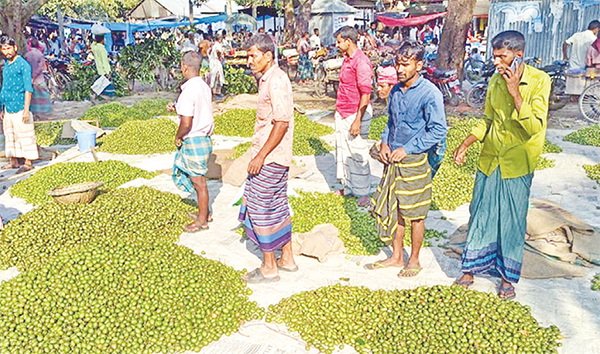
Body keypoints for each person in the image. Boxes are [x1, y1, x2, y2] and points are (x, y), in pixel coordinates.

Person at [453, 31, 551, 299]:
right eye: (494, 56)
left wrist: (515, 91)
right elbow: (487, 119)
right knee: (480, 212)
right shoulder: (496, 80)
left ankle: (507, 278)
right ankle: (470, 268)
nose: (496, 62)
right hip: (490, 158)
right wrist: (466, 143)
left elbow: (533, 126)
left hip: (517, 162)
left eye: (502, 56)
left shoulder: (539, 81)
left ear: (518, 55)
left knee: (512, 220)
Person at [366, 42, 447, 277]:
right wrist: (384, 142)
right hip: (393, 160)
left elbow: (438, 130)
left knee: (415, 213)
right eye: (397, 64)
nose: (400, 69)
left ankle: (414, 259)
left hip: (416, 161)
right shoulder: (395, 92)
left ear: (419, 65)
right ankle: (396, 255)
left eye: (405, 64)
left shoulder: (429, 93)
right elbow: (391, 123)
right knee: (396, 208)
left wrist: (408, 148)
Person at [239, 33, 297, 283]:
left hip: (271, 157)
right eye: (248, 56)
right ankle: (288, 258)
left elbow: (281, 123)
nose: (249, 60)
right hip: (273, 157)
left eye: (253, 56)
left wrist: (260, 156)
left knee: (261, 207)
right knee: (278, 204)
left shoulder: (276, 81)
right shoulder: (267, 78)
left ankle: (270, 266)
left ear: (268, 56)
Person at [168, 51, 214, 232]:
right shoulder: (203, 86)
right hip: (204, 138)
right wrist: (177, 107)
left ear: (184, 67)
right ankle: (204, 212)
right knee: (198, 180)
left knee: (199, 183)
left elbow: (186, 123)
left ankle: (202, 220)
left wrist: (178, 136)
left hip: (193, 139)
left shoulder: (187, 92)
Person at [333, 26, 373, 207]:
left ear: (348, 41)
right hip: (343, 110)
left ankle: (363, 192)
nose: (337, 44)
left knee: (358, 153)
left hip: (355, 112)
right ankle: (348, 186)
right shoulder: (347, 59)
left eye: (339, 41)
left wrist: (357, 119)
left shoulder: (361, 62)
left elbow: (365, 94)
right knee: (343, 151)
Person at [0, 36, 38, 173]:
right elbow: (4, 86)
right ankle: (13, 161)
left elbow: (28, 88)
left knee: (25, 134)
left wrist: (26, 110)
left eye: (9, 48)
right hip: (7, 106)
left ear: (15, 47)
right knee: (10, 134)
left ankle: (28, 161)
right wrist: (1, 108)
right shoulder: (6, 65)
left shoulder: (23, 65)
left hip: (20, 105)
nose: (7, 51)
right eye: (4, 49)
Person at [24, 38, 52, 119]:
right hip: (39, 80)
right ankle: (45, 113)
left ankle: (34, 114)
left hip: (29, 80)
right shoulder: (40, 54)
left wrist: (31, 77)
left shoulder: (27, 54)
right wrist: (35, 76)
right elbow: (40, 68)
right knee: (43, 97)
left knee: (33, 99)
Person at [90, 35, 114, 102]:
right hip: (103, 69)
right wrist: (108, 71)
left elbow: (92, 45)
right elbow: (104, 61)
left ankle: (95, 95)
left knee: (100, 82)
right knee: (102, 83)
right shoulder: (102, 49)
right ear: (102, 40)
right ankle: (100, 95)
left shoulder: (95, 47)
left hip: (98, 67)